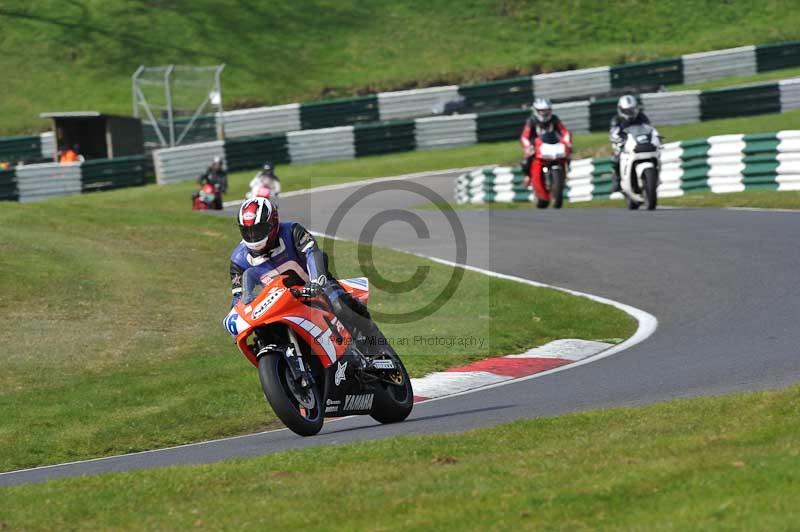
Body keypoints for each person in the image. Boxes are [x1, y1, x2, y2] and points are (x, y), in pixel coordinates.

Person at [230, 197, 376, 343]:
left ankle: (375, 343)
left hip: (315, 288)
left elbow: (312, 253)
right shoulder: (238, 260)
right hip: (279, 304)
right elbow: (238, 298)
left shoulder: (293, 231)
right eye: (247, 231)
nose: (252, 236)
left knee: (340, 305)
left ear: (272, 224)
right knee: (262, 334)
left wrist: (316, 281)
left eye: (258, 230)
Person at [519, 98, 572, 205]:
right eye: (542, 111)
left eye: (547, 110)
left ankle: (566, 172)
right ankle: (528, 176)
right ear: (536, 111)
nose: (545, 113)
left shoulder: (554, 119)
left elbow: (564, 131)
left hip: (553, 145)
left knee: (567, 154)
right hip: (536, 146)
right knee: (526, 160)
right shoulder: (532, 121)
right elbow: (525, 136)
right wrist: (528, 146)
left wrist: (567, 142)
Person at [609, 95, 651, 192]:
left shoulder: (642, 117)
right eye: (627, 111)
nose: (630, 113)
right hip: (623, 142)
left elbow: (649, 129)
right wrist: (619, 140)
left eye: (632, 110)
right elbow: (613, 133)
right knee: (616, 157)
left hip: (639, 141)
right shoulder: (616, 119)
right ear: (621, 110)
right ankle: (617, 180)